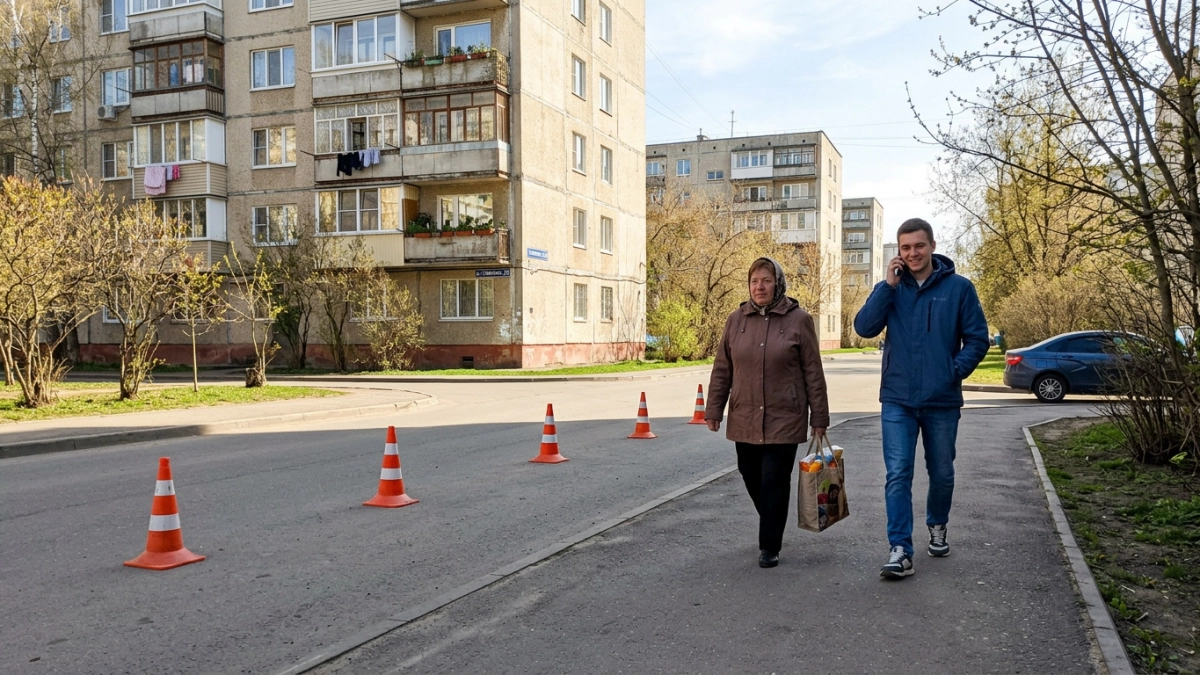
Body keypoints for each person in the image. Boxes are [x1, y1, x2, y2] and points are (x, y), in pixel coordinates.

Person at [854, 218, 989, 580]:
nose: (912, 253)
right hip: (897, 398)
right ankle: (900, 548)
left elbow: (978, 339)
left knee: (942, 473)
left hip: (942, 400)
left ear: (931, 246)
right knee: (897, 474)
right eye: (905, 248)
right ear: (898, 252)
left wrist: (952, 371)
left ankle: (937, 524)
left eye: (918, 246)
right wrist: (887, 286)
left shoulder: (959, 288)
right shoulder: (892, 288)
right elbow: (864, 327)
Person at [706, 257, 830, 568]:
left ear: (779, 283)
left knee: (774, 479)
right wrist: (714, 409)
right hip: (744, 414)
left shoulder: (799, 319)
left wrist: (820, 417)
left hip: (785, 415)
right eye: (754, 281)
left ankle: (769, 545)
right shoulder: (736, 320)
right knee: (750, 474)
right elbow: (723, 368)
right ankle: (773, 517)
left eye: (766, 280)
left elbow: (813, 371)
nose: (759, 286)